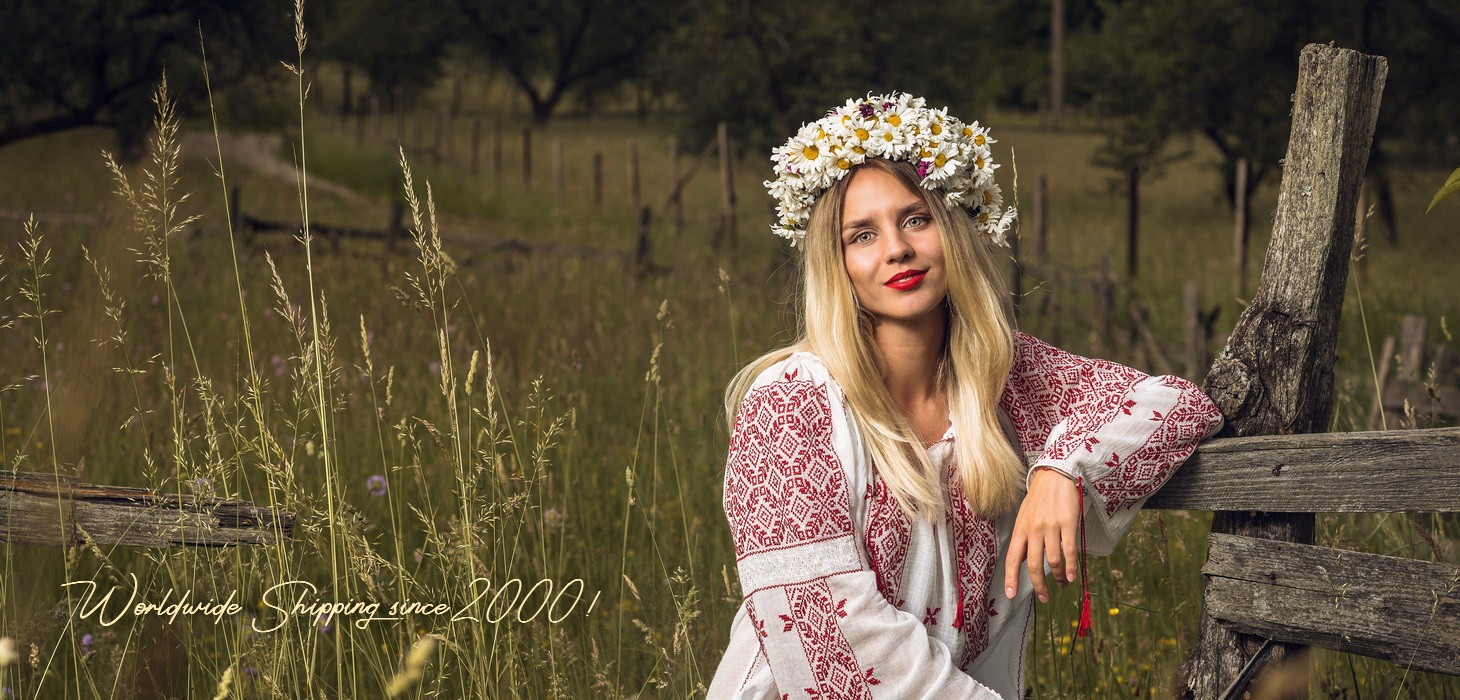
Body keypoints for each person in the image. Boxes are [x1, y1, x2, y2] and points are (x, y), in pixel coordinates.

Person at [707, 93, 1225, 699]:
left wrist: (1065, 469)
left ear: (951, 229)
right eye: (862, 235)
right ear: (836, 263)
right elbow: (832, 641)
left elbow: (1178, 404)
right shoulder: (791, 402)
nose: (897, 248)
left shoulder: (1004, 375)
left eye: (916, 219)